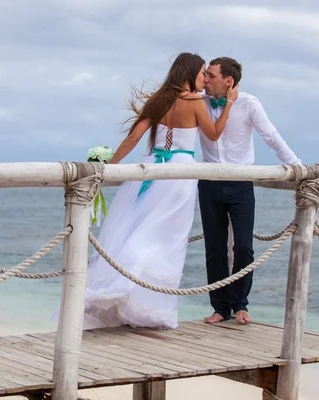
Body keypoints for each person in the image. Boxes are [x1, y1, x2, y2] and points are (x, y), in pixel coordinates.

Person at [83, 53, 239, 330]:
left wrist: (109, 168)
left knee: (140, 229)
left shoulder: (158, 100)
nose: (205, 78)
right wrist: (228, 105)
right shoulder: (194, 102)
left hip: (152, 167)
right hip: (180, 172)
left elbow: (133, 138)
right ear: (190, 73)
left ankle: (123, 288)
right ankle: (144, 305)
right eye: (202, 72)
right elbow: (213, 135)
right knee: (168, 239)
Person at [198, 57, 302, 325]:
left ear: (228, 81)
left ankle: (240, 303)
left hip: (241, 183)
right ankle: (220, 307)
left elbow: (271, 136)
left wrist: (297, 167)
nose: (206, 79)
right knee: (215, 248)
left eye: (211, 75)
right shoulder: (199, 101)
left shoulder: (249, 103)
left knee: (244, 246)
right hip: (208, 182)